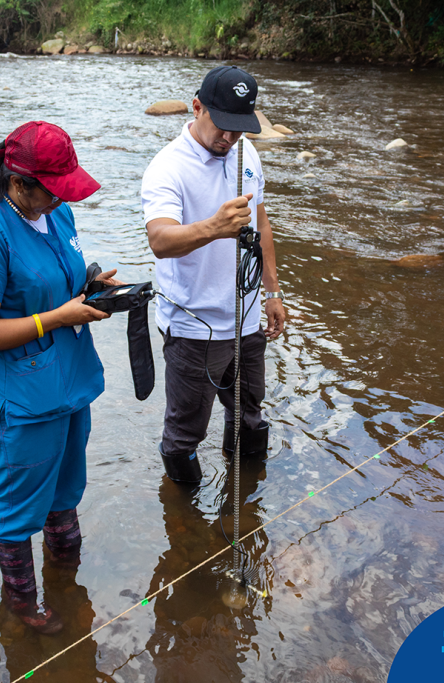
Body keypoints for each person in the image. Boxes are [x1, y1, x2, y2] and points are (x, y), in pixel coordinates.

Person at [0, 121, 120, 634]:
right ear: (19, 182)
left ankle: (66, 580)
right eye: (52, 190)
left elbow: (54, 283)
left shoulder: (58, 211)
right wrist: (57, 318)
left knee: (67, 491)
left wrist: (88, 286)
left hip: (69, 384)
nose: (60, 200)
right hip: (21, 400)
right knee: (18, 508)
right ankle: (24, 606)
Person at [141, 65, 287, 484]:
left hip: (245, 320)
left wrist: (272, 292)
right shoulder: (167, 167)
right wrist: (213, 227)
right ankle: (186, 524)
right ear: (197, 106)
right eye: (221, 125)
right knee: (185, 434)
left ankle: (245, 498)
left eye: (239, 128)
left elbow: (261, 225)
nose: (228, 138)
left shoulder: (246, 153)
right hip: (194, 328)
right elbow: (160, 239)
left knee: (249, 414)